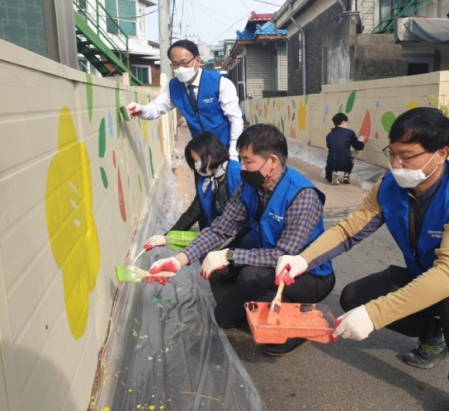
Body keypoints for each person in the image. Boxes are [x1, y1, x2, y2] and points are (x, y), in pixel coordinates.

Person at [275, 108, 449, 409]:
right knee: (354, 297)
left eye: (408, 156)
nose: (396, 164)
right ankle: (435, 335)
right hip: (428, 276)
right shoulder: (389, 187)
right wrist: (302, 259)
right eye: (392, 154)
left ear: (441, 153)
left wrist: (374, 315)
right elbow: (350, 229)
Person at [148, 124, 335, 356]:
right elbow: (221, 229)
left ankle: (300, 325)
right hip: (273, 270)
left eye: (248, 161)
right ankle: (276, 304)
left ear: (272, 161)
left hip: (309, 276)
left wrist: (228, 255)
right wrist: (179, 260)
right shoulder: (250, 184)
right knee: (224, 318)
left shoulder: (302, 196)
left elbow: (282, 254)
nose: (242, 168)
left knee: (268, 332)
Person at [142, 132, 251, 283]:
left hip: (245, 228)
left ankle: (239, 269)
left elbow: (246, 215)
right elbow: (194, 212)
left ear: (211, 154)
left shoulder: (238, 174)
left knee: (245, 252)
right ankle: (233, 270)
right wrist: (167, 237)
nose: (196, 165)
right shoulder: (206, 182)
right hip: (224, 228)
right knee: (207, 249)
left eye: (197, 160)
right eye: (193, 161)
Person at [127, 39, 244, 159]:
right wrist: (142, 110)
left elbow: (235, 118)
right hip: (201, 153)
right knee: (202, 178)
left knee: (230, 178)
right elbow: (156, 108)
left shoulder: (220, 83)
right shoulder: (173, 87)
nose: (180, 68)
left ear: (197, 60)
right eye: (175, 64)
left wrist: (234, 152)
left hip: (226, 148)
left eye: (184, 62)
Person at [325, 113, 365, 185]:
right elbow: (358, 147)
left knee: (334, 154)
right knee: (349, 153)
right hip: (345, 163)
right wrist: (361, 141)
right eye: (347, 122)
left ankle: (333, 174)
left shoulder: (329, 135)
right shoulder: (349, 133)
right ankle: (346, 174)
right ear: (343, 122)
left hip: (331, 164)